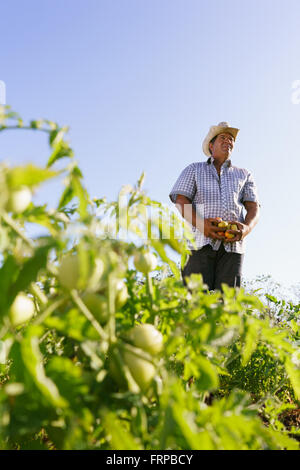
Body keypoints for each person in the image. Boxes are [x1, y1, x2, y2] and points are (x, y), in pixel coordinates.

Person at [169, 122, 260, 291]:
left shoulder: (244, 174)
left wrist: (246, 229)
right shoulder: (194, 169)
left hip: (233, 247)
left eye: (231, 139)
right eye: (223, 137)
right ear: (211, 145)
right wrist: (202, 225)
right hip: (198, 243)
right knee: (194, 300)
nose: (228, 141)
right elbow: (181, 201)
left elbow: (254, 207)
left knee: (228, 304)